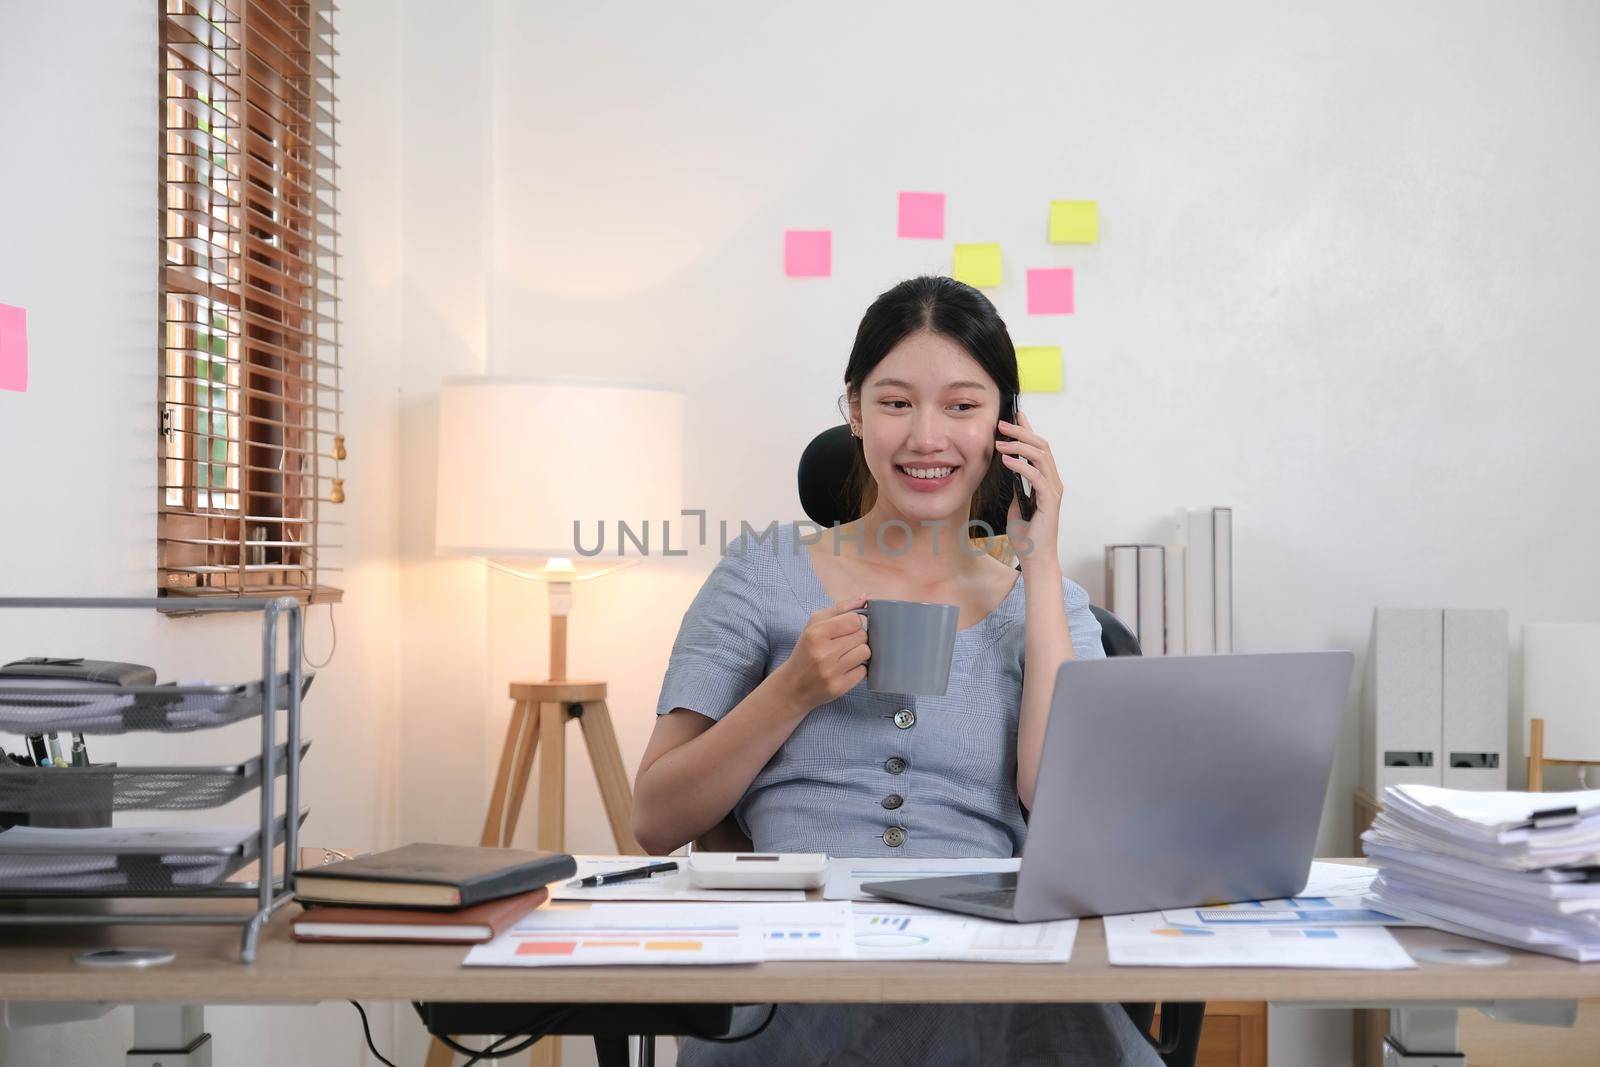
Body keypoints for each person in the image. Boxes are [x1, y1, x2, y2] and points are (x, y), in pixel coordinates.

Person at [633, 276, 1160, 1065]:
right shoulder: (759, 573)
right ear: (853, 408)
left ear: (1005, 424)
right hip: (797, 967)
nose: (926, 437)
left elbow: (1059, 806)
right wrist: (792, 691)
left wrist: (1040, 564)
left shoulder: (1051, 606)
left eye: (961, 405)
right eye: (895, 402)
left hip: (992, 979)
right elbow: (655, 816)